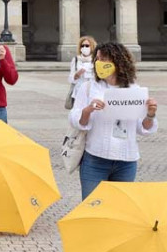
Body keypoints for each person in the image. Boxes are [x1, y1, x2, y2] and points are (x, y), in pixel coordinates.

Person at [69, 42, 159, 200]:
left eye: (104, 59)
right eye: (97, 59)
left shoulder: (134, 90)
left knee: (120, 209)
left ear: (118, 62)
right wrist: (88, 110)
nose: (99, 63)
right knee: (92, 208)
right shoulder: (88, 88)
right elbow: (77, 120)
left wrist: (150, 115)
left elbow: (142, 128)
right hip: (95, 158)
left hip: (126, 161)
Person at [68, 36, 97, 108]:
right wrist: (76, 75)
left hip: (93, 91)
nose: (84, 47)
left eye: (87, 45)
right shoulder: (76, 59)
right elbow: (70, 78)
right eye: (82, 45)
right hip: (79, 91)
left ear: (92, 46)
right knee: (78, 114)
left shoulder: (96, 60)